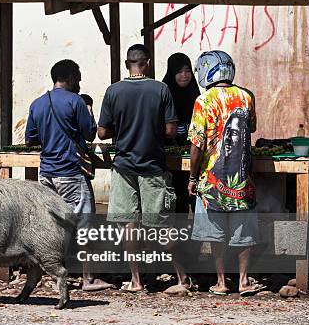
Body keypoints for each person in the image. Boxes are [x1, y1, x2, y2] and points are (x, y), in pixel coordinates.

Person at [98, 44, 185, 293]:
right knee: (162, 226)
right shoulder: (160, 89)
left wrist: (123, 128)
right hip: (153, 166)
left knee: (128, 227)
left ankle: (136, 281)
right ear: (146, 62)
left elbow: (102, 132)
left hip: (124, 168)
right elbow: (170, 130)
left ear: (128, 64)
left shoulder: (113, 91)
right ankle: (182, 279)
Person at [25, 59, 113, 291]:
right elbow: (90, 133)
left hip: (47, 175)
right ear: (72, 77)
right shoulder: (76, 101)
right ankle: (89, 278)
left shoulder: (37, 104)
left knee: (53, 226)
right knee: (85, 224)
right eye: (79, 77)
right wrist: (89, 110)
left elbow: (31, 138)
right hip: (71, 172)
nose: (80, 82)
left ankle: (56, 278)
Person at [188, 50, 264, 296]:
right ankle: (243, 281)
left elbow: (197, 144)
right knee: (244, 233)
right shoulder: (246, 96)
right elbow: (251, 126)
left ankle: (221, 282)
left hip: (211, 182)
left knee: (215, 235)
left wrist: (191, 176)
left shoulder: (204, 101)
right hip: (242, 180)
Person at [162, 53, 201, 215]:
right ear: (172, 73)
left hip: (194, 151)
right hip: (170, 152)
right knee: (177, 197)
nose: (184, 75)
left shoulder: (197, 94)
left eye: (187, 71)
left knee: (196, 197)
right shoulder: (164, 92)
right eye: (179, 72)